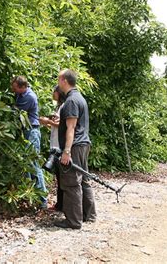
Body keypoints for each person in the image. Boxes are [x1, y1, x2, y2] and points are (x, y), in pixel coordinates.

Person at [55, 69, 96, 229]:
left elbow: (71, 128)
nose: (58, 83)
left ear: (64, 80)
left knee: (71, 182)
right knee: (84, 179)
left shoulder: (71, 100)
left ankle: (73, 221)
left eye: (59, 79)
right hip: (83, 144)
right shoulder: (79, 97)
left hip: (75, 146)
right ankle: (89, 215)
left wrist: (66, 151)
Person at [11, 75, 48, 209]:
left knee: (33, 165)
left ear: (22, 87)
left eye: (14, 88)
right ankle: (32, 198)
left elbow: (14, 111)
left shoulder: (29, 97)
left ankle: (42, 200)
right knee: (26, 164)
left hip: (32, 132)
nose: (12, 90)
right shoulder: (21, 94)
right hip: (26, 131)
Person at [39, 85, 66, 211]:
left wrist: (47, 122)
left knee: (61, 176)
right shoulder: (59, 106)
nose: (52, 93)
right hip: (55, 143)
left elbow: (62, 123)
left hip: (59, 145)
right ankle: (59, 203)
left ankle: (61, 204)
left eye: (53, 91)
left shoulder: (64, 106)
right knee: (58, 176)